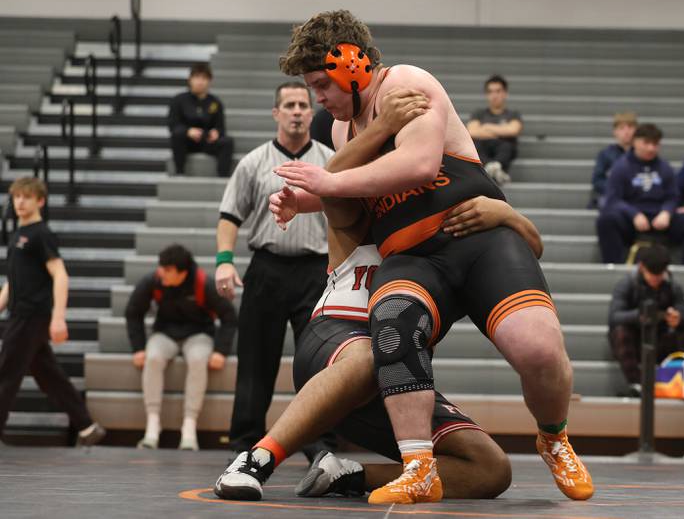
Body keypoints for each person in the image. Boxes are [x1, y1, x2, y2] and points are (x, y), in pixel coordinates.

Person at [273, 10, 593, 504]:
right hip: (414, 255)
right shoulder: (342, 132)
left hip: (477, 241)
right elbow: (350, 198)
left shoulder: (405, 82)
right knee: (393, 322)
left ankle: (553, 436)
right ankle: (419, 465)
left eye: (322, 85)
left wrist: (328, 182)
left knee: (539, 350)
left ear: (353, 67)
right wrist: (308, 199)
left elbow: (420, 165)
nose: (319, 99)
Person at [214, 86, 539, 502]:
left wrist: (508, 213)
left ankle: (347, 475)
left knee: (491, 469)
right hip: (338, 341)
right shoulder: (356, 200)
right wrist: (380, 124)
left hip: (397, 376)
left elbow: (528, 255)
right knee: (372, 352)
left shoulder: (453, 210)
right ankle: (257, 458)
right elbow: (334, 182)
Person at [215, 81, 333, 455]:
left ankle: (321, 443)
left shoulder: (331, 161)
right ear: (276, 113)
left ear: (312, 114)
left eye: (303, 104)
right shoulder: (253, 162)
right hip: (266, 269)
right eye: (289, 105)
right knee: (254, 360)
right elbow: (229, 215)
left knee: (319, 362)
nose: (297, 111)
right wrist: (223, 261)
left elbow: (350, 217)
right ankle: (245, 442)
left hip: (316, 272)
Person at [0, 177, 105, 446]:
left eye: (26, 197)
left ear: (40, 201)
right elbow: (13, 280)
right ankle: (86, 426)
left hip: (31, 315)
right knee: (48, 374)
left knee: (6, 373)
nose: (20, 202)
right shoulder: (17, 235)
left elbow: (60, 274)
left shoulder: (41, 233)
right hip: (20, 314)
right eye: (17, 197)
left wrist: (58, 317)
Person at [125, 244, 236, 450]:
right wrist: (138, 348)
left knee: (197, 359)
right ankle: (152, 424)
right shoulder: (153, 281)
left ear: (182, 273)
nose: (161, 273)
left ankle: (189, 426)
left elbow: (229, 316)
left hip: (199, 334)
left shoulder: (204, 283)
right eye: (161, 267)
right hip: (165, 333)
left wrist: (221, 351)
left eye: (167, 270)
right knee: (153, 357)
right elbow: (133, 312)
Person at [596, 123, 684, 265]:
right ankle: (613, 267)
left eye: (655, 144)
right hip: (631, 221)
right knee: (606, 221)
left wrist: (667, 212)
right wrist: (633, 214)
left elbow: (673, 196)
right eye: (646, 143)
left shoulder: (665, 167)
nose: (651, 148)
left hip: (661, 219)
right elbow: (613, 200)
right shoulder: (620, 167)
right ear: (635, 142)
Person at [607, 244, 684, 396]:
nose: (655, 279)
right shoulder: (626, 284)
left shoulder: (673, 286)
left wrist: (678, 319)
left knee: (683, 335)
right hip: (634, 341)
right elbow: (614, 317)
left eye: (659, 275)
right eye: (651, 275)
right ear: (641, 267)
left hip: (661, 339)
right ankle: (636, 383)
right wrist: (638, 316)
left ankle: (674, 381)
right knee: (620, 332)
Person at [167, 63, 234, 177]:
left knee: (227, 142)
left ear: (209, 81)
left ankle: (223, 177)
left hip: (206, 141)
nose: (200, 81)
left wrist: (216, 133)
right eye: (197, 77)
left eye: (204, 78)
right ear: (190, 79)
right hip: (186, 142)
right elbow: (173, 125)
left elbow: (221, 127)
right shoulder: (179, 100)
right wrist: (188, 131)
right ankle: (179, 173)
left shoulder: (215, 102)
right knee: (177, 135)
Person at [466, 74, 523, 186]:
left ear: (505, 93)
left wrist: (487, 127)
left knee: (507, 145)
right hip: (483, 147)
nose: (494, 95)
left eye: (498, 91)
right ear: (487, 94)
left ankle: (491, 169)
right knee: (475, 145)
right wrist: (501, 131)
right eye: (490, 91)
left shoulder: (513, 114)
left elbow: (514, 130)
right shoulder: (479, 113)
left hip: (503, 148)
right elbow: (471, 132)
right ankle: (494, 170)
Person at [589, 111, 638, 209]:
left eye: (630, 127)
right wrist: (616, 190)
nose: (627, 131)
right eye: (622, 128)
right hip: (612, 195)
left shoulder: (643, 154)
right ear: (615, 132)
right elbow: (597, 180)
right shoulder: (605, 154)